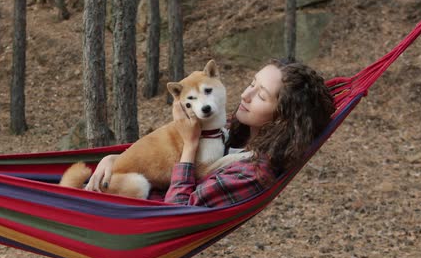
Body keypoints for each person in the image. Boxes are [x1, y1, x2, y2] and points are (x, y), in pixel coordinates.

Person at [85, 59, 335, 207]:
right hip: (125, 191)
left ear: (282, 117)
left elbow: (176, 214)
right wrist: (112, 159)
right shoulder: (232, 130)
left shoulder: (252, 172)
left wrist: (190, 145)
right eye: (251, 83)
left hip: (143, 216)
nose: (244, 95)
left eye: (260, 95)